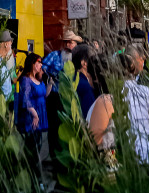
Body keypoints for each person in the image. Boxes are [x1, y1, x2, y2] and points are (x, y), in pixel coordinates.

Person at [42, 29, 82, 160]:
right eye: (67, 42)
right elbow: (42, 69)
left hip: (71, 97)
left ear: (76, 44)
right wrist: (51, 76)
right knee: (54, 127)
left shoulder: (78, 59)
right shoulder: (55, 55)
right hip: (55, 95)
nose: (69, 46)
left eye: (71, 43)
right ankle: (53, 155)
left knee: (69, 126)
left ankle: (68, 154)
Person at [15, 53, 50, 172]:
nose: (41, 65)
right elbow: (25, 99)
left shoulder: (37, 79)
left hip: (41, 114)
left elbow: (44, 95)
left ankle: (34, 176)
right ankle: (31, 176)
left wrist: (50, 82)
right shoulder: (26, 80)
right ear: (32, 64)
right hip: (32, 117)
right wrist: (35, 115)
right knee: (32, 148)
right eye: (38, 62)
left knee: (38, 146)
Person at [121, 45, 149, 163]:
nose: (143, 62)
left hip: (143, 139)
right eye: (142, 59)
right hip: (135, 138)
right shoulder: (142, 85)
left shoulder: (144, 78)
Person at [0, 30, 16, 104]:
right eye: (10, 43)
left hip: (4, 104)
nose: (11, 46)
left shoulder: (0, 61)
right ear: (6, 44)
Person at [72, 44, 96, 117]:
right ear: (83, 63)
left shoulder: (75, 78)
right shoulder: (84, 85)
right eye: (92, 60)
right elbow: (89, 112)